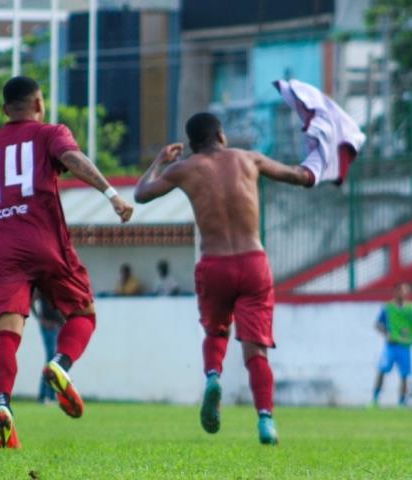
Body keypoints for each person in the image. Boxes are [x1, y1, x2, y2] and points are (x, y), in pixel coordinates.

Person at [0, 76, 134, 448]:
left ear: (5, 110)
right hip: (42, 241)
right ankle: (60, 365)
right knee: (83, 313)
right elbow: (71, 158)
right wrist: (111, 194)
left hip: (1, 253)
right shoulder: (49, 133)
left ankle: (3, 405)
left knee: (6, 334)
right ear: (38, 104)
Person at [134, 112, 314, 445]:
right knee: (256, 349)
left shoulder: (184, 169)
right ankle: (266, 420)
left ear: (191, 144)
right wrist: (318, 166)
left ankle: (213, 376)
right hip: (253, 262)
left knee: (216, 331)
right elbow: (296, 175)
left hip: (215, 264)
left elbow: (141, 194)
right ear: (221, 135)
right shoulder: (249, 159)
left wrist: (159, 161)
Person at [371, 283, 412, 407]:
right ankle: (375, 399)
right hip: (391, 345)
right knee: (382, 370)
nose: (404, 294)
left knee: (404, 375)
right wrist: (386, 334)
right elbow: (377, 325)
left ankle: (402, 401)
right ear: (395, 292)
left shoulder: (411, 309)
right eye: (401, 291)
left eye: (406, 291)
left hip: (405, 346)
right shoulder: (387, 308)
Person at [31, 293, 63, 403]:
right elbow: (32, 301)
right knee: (51, 359)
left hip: (59, 324)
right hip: (49, 325)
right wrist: (40, 319)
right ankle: (47, 395)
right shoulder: (44, 285)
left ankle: (48, 395)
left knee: (56, 360)